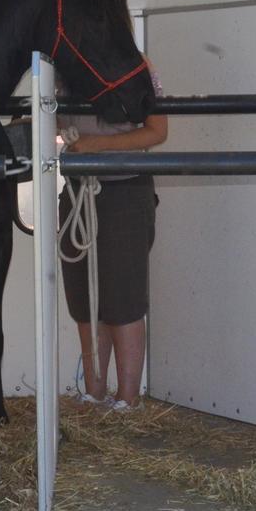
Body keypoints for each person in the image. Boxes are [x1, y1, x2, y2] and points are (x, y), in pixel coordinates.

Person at [59, 64, 167, 411]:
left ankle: (128, 400)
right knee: (84, 296)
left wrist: (98, 145)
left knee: (123, 296)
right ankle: (94, 393)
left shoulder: (137, 66)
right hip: (78, 188)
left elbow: (157, 131)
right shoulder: (62, 70)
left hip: (125, 187)